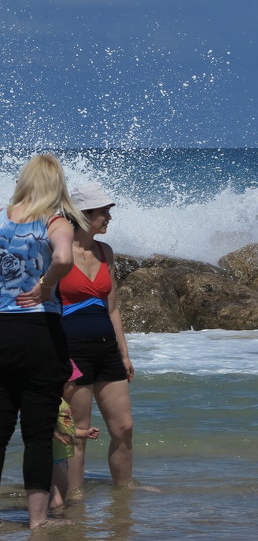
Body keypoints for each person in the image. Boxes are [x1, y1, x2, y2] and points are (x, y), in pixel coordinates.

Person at [0, 154, 85, 528]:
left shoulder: (1, 216)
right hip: (38, 332)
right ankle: (38, 522)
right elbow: (63, 258)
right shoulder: (55, 219)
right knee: (37, 435)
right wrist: (44, 286)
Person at [61, 183, 144, 494]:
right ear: (84, 215)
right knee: (78, 432)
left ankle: (124, 490)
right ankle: (75, 498)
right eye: (103, 212)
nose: (108, 217)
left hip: (107, 349)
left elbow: (112, 307)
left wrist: (124, 353)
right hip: (72, 351)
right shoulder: (58, 251)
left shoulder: (104, 252)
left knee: (124, 428)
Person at [50, 393, 100, 509]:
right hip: (54, 456)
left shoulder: (63, 402)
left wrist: (85, 433)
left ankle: (54, 510)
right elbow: (42, 424)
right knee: (58, 491)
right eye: (71, 381)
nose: (73, 385)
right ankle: (55, 514)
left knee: (61, 488)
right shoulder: (52, 402)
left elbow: (68, 429)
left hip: (62, 455)